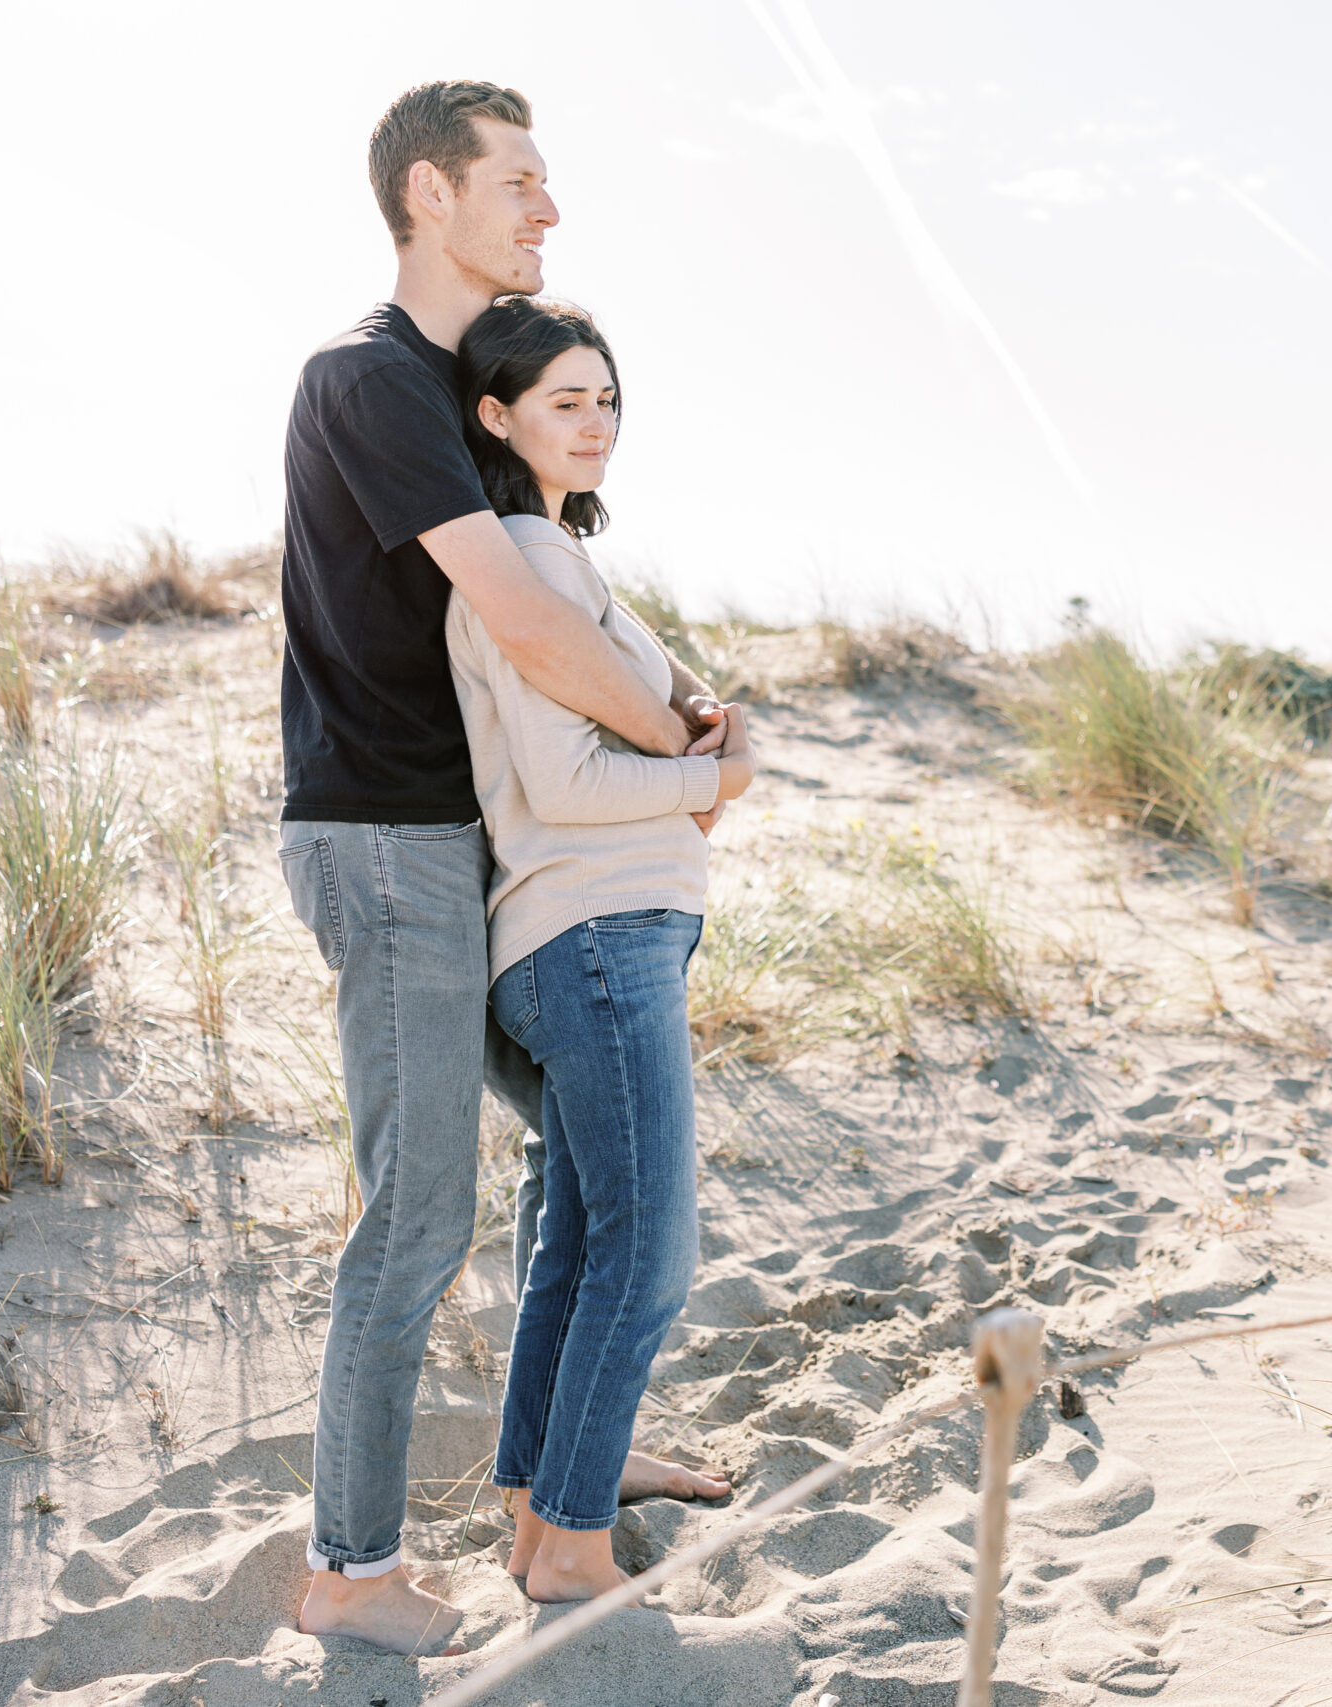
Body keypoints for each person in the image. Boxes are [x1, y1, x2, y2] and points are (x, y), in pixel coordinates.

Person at [275, 81, 726, 1655]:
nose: (548, 211)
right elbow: (528, 625)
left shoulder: (455, 384)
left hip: (459, 848)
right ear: (427, 197)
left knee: (582, 1160)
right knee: (414, 1219)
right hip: (387, 842)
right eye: (520, 183)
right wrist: (687, 745)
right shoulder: (370, 377)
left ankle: (560, 1473)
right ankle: (351, 1568)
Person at [447, 294, 750, 1601]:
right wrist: (705, 784)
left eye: (608, 397)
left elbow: (690, 716)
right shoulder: (525, 560)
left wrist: (709, 737)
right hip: (592, 938)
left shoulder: (563, 564)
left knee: (580, 1241)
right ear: (497, 417)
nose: (596, 422)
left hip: (601, 937)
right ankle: (568, 1548)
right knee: (648, 1252)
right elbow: (570, 786)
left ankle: (537, 1496)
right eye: (564, 400)